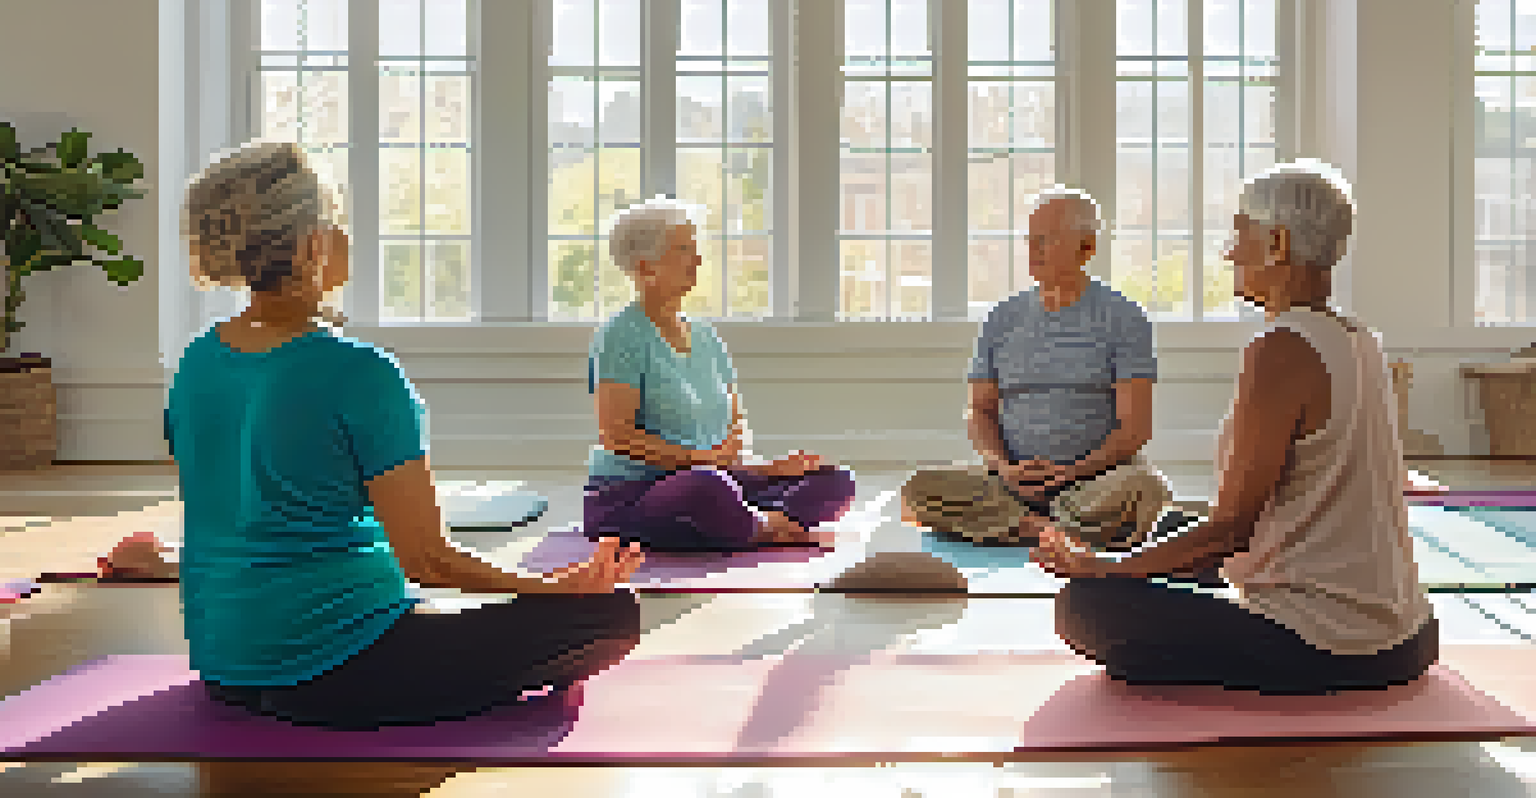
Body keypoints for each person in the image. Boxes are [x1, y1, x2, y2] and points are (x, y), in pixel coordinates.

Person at [162, 140, 645, 730]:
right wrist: (550, 588)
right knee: (612, 614)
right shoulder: (361, 371)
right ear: (313, 243)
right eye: (337, 224)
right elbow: (428, 559)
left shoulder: (196, 362)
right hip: (342, 668)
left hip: (225, 665)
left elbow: (228, 511)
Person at [1036, 161, 1439, 695]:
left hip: (1333, 643)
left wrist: (1103, 569)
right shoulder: (1360, 337)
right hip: (1409, 631)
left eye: (1239, 233)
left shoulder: (1280, 350)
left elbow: (1231, 532)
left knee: (1085, 607)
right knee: (1169, 528)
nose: (1229, 251)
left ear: (1276, 242)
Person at [900, 187, 1180, 552]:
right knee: (919, 488)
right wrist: (1004, 468)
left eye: (1046, 241)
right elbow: (980, 410)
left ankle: (1019, 525)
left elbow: (1135, 429)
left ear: (1087, 248)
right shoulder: (1001, 318)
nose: (1034, 251)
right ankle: (1049, 528)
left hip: (1093, 483)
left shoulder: (1124, 317)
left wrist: (1073, 472)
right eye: (1031, 240)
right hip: (1012, 484)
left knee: (1147, 489)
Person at [584, 197, 858, 551]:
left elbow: (734, 425)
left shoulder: (706, 336)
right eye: (683, 248)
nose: (697, 259)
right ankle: (761, 525)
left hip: (721, 478)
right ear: (645, 267)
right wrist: (707, 461)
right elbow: (617, 436)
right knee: (704, 487)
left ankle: (750, 525)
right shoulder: (620, 336)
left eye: (696, 248)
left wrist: (766, 470)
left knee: (834, 480)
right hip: (634, 494)